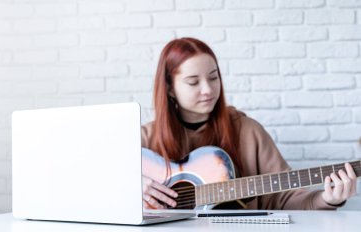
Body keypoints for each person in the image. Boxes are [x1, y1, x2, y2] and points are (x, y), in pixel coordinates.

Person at [141, 37, 358, 210]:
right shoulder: (143, 138)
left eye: (214, 77)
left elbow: (284, 197)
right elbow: (107, 180)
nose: (207, 89)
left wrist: (327, 199)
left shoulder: (248, 131)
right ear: (169, 88)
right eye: (193, 82)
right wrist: (129, 187)